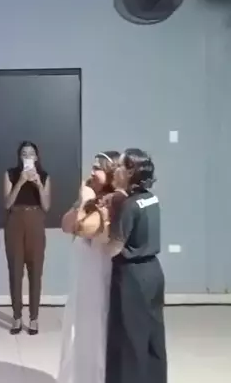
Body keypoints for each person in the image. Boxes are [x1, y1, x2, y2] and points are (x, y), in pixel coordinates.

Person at [102, 148, 167, 383]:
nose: (115, 170)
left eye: (120, 166)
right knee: (152, 335)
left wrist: (99, 237)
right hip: (153, 272)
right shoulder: (151, 198)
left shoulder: (129, 205)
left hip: (131, 277)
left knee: (129, 338)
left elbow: (114, 247)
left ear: (130, 172)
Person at [57, 151, 121, 383]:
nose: (92, 172)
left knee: (97, 330)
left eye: (98, 168)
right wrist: (82, 201)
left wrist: (87, 203)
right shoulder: (89, 196)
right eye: (92, 167)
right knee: (78, 329)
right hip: (82, 278)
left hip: (100, 276)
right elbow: (66, 225)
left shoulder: (114, 201)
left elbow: (88, 229)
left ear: (111, 173)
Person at [3, 140, 51, 334]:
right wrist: (21, 181)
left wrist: (38, 184)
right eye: (24, 154)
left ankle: (34, 318)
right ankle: (16, 317)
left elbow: (46, 206)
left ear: (36, 157)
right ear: (19, 156)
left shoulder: (44, 176)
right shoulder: (10, 174)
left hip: (36, 221)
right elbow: (7, 203)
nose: (28, 157)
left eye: (31, 154)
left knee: (35, 270)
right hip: (15, 221)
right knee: (15, 270)